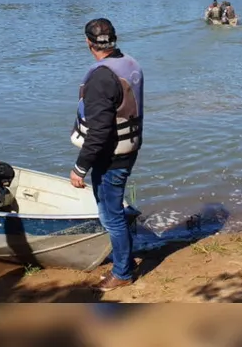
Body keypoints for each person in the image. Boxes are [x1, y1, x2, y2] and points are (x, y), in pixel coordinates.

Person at [70, 18, 144, 292]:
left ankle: (122, 272)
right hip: (128, 149)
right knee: (114, 212)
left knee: (111, 216)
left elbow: (99, 132)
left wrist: (80, 168)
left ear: (88, 43)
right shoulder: (130, 63)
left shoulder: (101, 77)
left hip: (110, 157)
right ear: (114, 39)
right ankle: (125, 260)